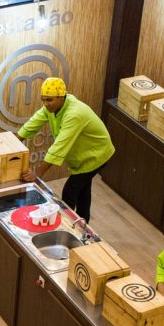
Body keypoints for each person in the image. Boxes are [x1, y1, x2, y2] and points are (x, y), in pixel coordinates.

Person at [20, 77, 115, 222]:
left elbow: (58, 147)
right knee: (83, 189)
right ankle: (84, 224)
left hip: (96, 154)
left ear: (61, 97)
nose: (45, 104)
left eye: (49, 100)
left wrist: (37, 174)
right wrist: (11, 144)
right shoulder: (51, 108)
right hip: (83, 154)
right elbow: (31, 125)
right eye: (43, 100)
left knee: (70, 191)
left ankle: (65, 223)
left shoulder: (74, 114)